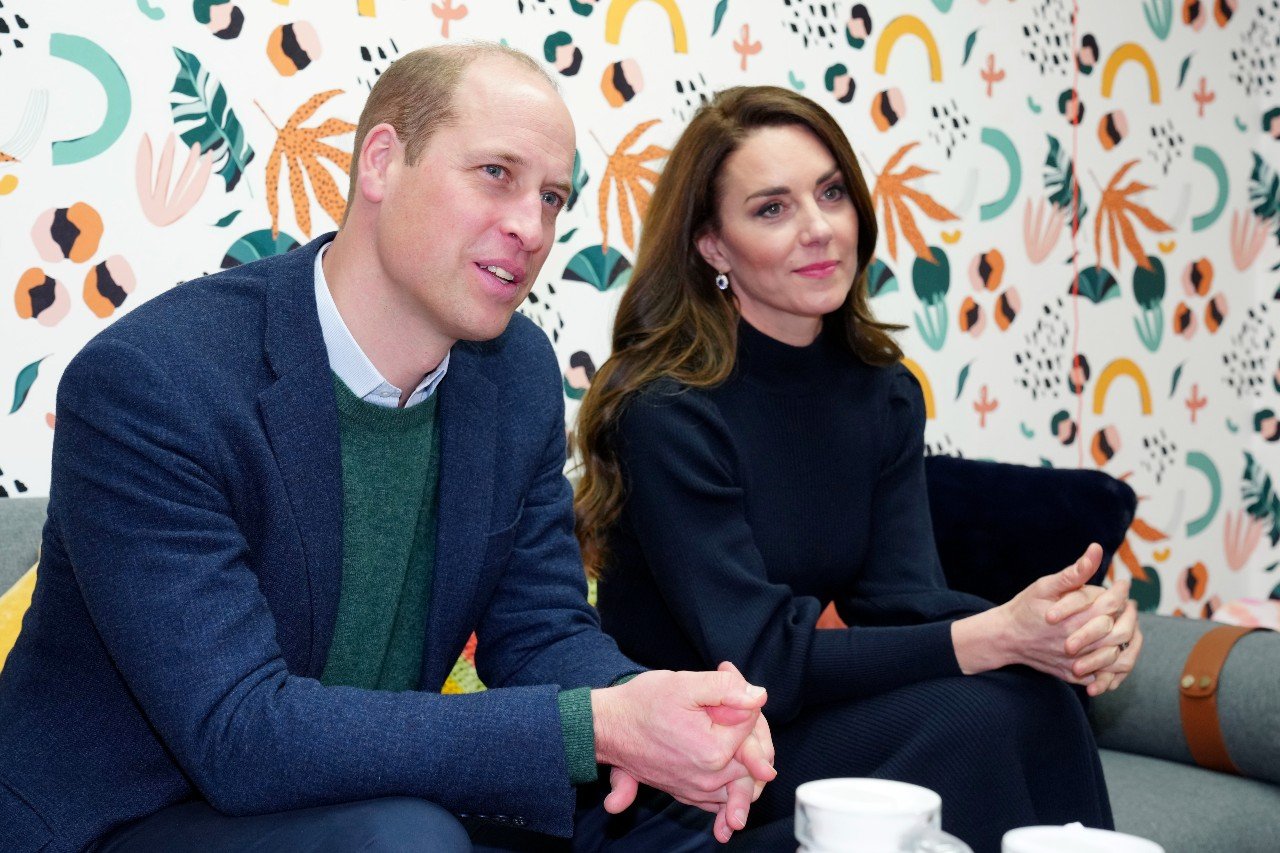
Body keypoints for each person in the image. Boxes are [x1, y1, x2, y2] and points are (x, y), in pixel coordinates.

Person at [0, 45, 777, 853]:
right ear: (381, 162)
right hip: (125, 817)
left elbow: (542, 632)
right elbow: (239, 731)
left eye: (552, 197)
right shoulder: (157, 383)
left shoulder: (514, 374)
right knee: (409, 838)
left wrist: (658, 706)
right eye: (495, 174)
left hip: (353, 796)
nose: (531, 227)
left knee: (687, 825)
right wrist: (600, 725)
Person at [573, 86, 1143, 852]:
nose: (819, 229)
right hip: (692, 773)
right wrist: (997, 634)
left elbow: (902, 603)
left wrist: (1059, 627)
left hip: (797, 723)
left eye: (831, 192)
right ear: (713, 246)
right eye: (771, 209)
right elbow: (762, 653)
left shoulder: (882, 392)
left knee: (1031, 689)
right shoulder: (666, 409)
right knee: (979, 715)